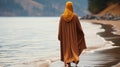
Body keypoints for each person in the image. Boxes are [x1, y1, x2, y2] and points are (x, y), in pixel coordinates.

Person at [58, 1, 87, 67]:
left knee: (66, 51)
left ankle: (68, 64)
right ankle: (76, 62)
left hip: (65, 38)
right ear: (71, 7)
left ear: (66, 7)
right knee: (74, 49)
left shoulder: (62, 17)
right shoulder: (75, 16)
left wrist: (60, 36)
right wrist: (81, 35)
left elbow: (60, 28)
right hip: (73, 38)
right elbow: (79, 28)